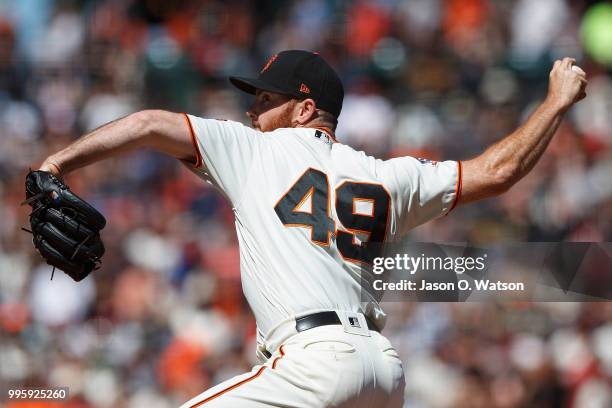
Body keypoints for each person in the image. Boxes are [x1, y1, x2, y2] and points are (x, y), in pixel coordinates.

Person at [36, 50, 587, 407]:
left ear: (304, 109)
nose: (253, 112)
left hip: (315, 362)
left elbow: (147, 124)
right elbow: (499, 171)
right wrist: (557, 102)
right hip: (382, 374)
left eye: (266, 99)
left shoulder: (255, 149)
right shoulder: (389, 175)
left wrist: (57, 163)